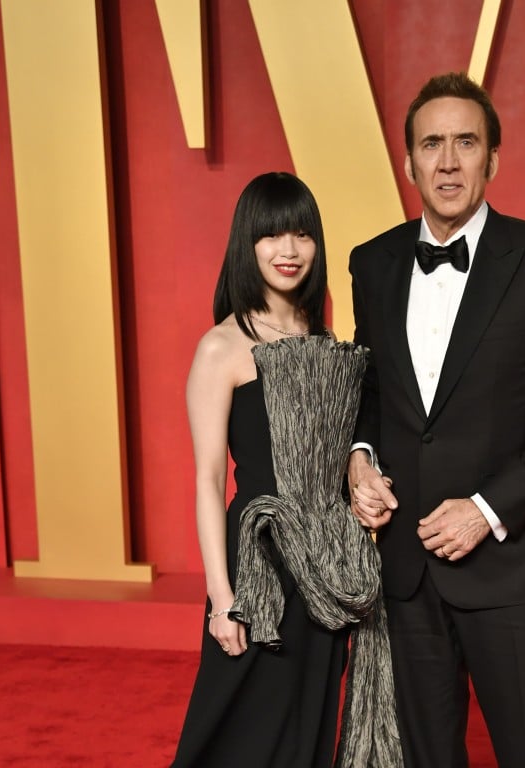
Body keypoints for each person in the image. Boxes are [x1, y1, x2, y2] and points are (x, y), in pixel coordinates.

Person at [347, 72, 525, 768]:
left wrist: (486, 510)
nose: (447, 162)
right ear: (408, 162)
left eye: (466, 143)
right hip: (405, 568)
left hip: (509, 566)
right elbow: (371, 390)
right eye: (431, 144)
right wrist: (360, 456)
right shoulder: (372, 263)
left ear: (492, 158)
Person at [172, 172, 401, 768]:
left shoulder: (324, 336)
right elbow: (208, 480)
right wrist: (221, 598)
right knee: (238, 727)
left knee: (308, 723)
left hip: (325, 560)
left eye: (302, 234)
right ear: (247, 244)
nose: (289, 249)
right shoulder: (221, 347)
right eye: (272, 235)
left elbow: (339, 449)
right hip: (260, 564)